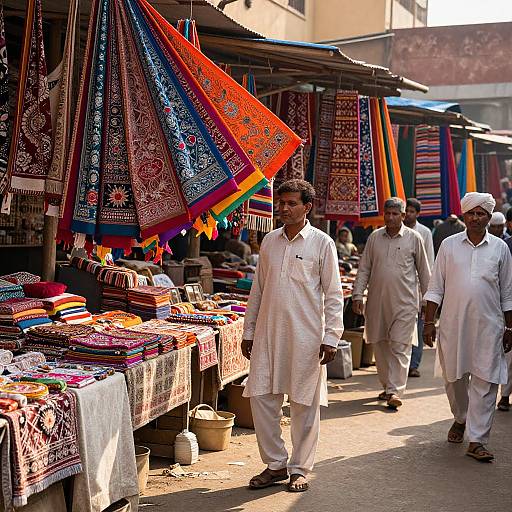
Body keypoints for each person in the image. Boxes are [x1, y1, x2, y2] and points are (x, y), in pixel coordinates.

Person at [241, 179, 344, 492]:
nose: (283, 209)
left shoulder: (322, 243)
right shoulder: (270, 241)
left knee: (304, 405)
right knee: (260, 398)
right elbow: (258, 290)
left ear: (307, 207)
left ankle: (299, 469)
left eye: (291, 203)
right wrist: (249, 330)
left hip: (307, 337)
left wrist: (331, 337)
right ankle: (275, 464)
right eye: (281, 203)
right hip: (268, 335)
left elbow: (334, 294)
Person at [424, 192, 512, 462]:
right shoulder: (449, 246)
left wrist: (509, 328)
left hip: (489, 326)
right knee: (454, 379)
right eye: (471, 213)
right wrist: (429, 322)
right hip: (453, 325)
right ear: (464, 216)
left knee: (486, 382)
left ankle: (477, 440)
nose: (475, 218)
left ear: (488, 217)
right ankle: (461, 417)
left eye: (481, 213)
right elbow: (436, 287)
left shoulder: (500, 248)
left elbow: (507, 292)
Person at [352, 197, 431, 409]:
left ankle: (396, 390)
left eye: (395, 214)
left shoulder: (414, 238)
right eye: (387, 213)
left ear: (403, 216)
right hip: (377, 302)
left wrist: (428, 302)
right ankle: (388, 386)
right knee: (380, 344)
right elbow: (364, 268)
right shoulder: (374, 238)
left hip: (405, 303)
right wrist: (358, 294)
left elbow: (424, 272)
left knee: (400, 345)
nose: (390, 217)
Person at [404, 198, 435, 378]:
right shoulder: (396, 231)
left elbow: (428, 263)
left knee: (420, 325)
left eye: (411, 211)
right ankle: (403, 363)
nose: (408, 214)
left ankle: (414, 364)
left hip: (420, 288)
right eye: (406, 211)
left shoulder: (424, 233)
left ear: (417, 214)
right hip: (402, 288)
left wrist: (427, 294)